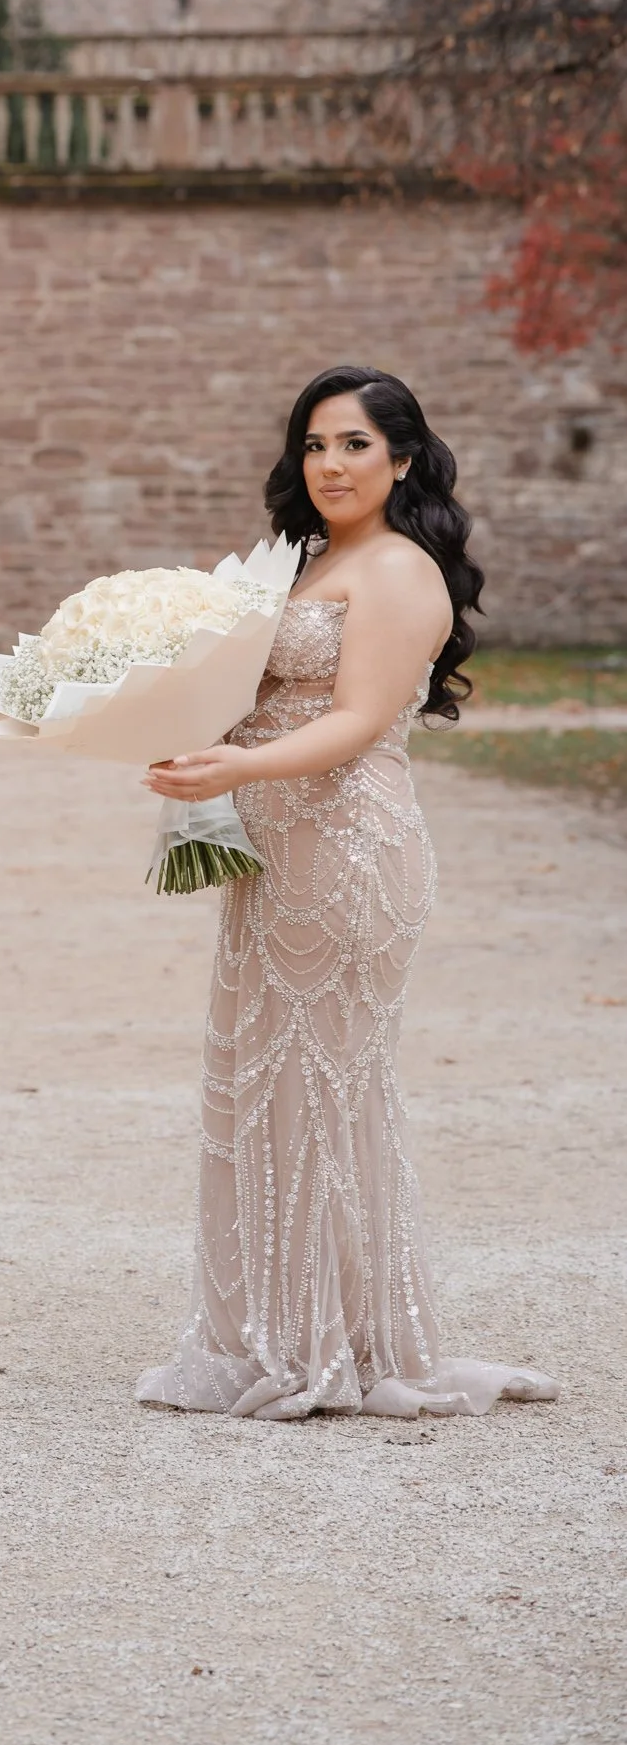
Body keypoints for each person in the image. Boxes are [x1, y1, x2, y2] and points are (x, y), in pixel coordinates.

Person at [137, 367, 559, 1419]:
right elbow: (265, 694)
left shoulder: (401, 570)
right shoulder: (309, 560)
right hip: (276, 850)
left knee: (326, 1087)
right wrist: (187, 725)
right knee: (267, 1085)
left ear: (404, 458)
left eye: (357, 445)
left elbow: (361, 717)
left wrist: (236, 768)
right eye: (316, 444)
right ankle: (285, 1328)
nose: (331, 463)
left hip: (350, 846)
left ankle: (342, 1341)